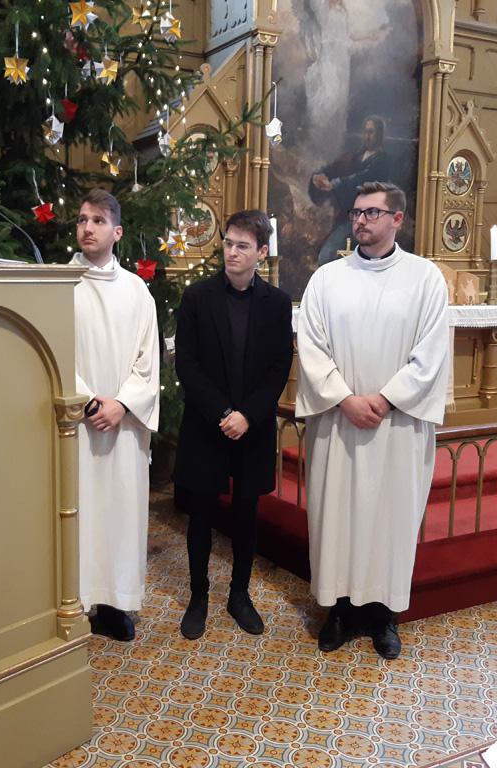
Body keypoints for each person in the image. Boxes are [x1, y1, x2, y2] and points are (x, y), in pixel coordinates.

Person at [296, 181, 449, 659]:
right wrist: (345, 399)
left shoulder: (425, 279)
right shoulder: (327, 279)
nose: (360, 220)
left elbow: (431, 354)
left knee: (390, 519)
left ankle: (384, 617)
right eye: (356, 212)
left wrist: (384, 399)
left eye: (371, 213)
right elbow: (311, 346)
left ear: (397, 219)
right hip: (339, 424)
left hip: (396, 426)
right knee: (336, 516)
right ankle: (338, 611)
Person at [173, 210, 294, 640]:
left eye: (243, 246)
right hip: (207, 425)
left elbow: (279, 366)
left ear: (261, 252)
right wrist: (224, 413)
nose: (232, 252)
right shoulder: (197, 297)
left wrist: (248, 415)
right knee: (201, 514)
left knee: (246, 513)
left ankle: (239, 595)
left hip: (252, 427)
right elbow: (186, 363)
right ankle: (199, 595)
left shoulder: (277, 303)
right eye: (228, 243)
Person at [71, 189, 160, 641]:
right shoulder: (59, 284)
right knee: (81, 511)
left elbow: (148, 360)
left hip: (124, 424)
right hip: (78, 424)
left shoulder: (136, 290)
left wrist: (122, 404)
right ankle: (76, 600)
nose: (87, 228)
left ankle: (115, 602)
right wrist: (88, 402)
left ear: (117, 232)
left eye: (98, 221)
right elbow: (53, 352)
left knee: (121, 511)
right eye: (82, 219)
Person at [308, 116, 391, 266]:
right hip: (346, 216)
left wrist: (335, 185)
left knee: (327, 256)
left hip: (369, 219)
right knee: (324, 257)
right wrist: (320, 176)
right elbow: (335, 167)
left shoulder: (382, 160)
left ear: (379, 134)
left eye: (371, 132)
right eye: (365, 132)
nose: (367, 136)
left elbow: (361, 179)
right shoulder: (355, 156)